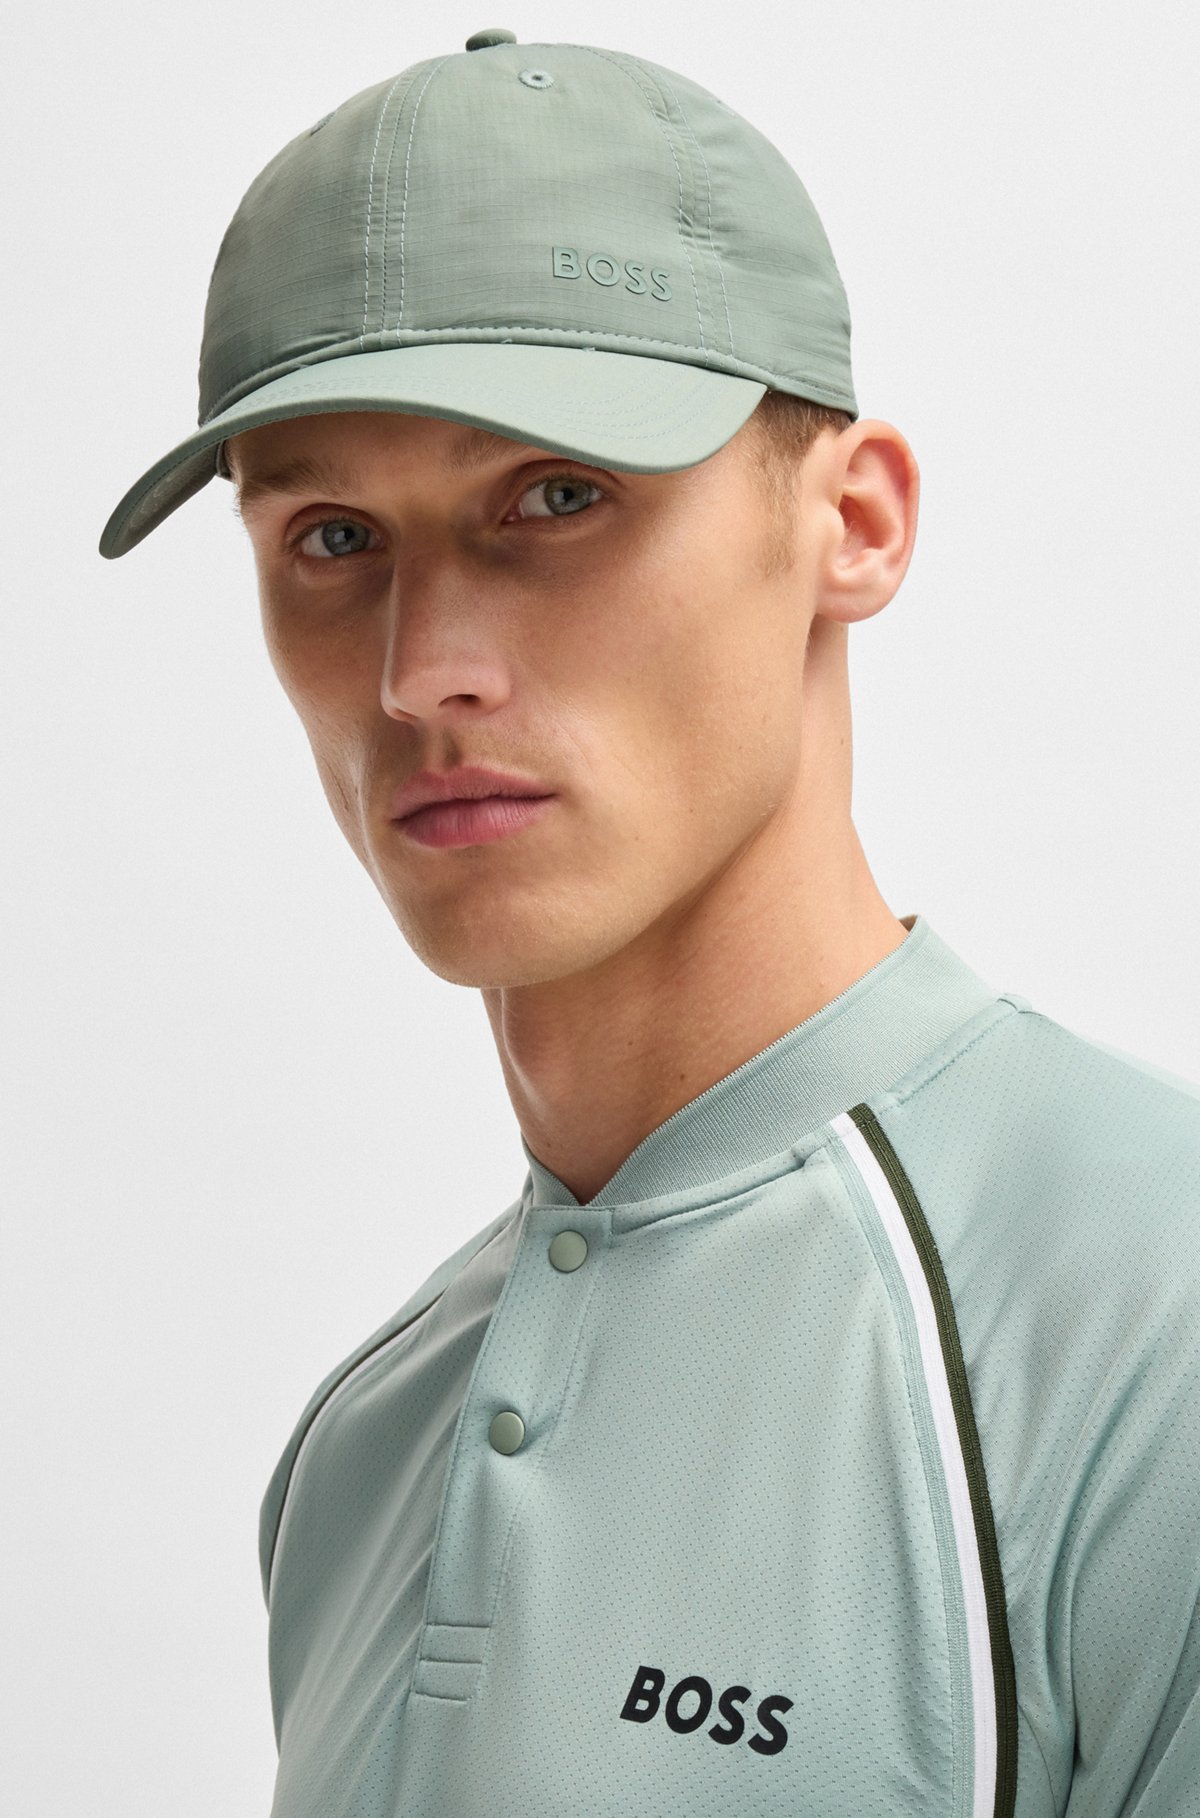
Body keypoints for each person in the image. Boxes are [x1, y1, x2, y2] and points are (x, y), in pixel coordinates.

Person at [100, 29, 1200, 1818]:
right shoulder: (362, 1448)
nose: (423, 670)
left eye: (558, 496)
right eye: (332, 538)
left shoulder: (1153, 1332)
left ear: (854, 522)